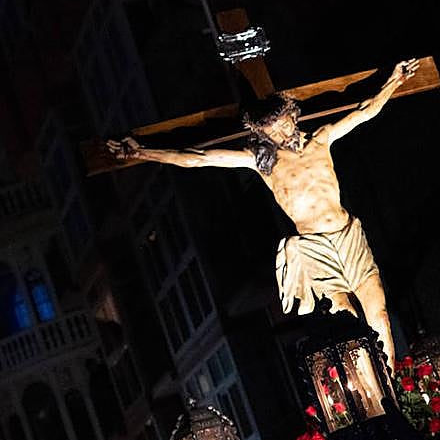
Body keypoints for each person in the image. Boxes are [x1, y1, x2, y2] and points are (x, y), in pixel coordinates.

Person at [105, 60, 420, 370]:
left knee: (378, 312)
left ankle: (392, 384)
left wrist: (395, 81)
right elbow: (198, 159)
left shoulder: (321, 138)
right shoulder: (262, 162)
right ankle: (376, 398)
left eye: (284, 124)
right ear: (262, 135)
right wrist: (142, 151)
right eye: (273, 131)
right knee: (347, 319)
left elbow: (364, 110)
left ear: (292, 117)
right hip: (315, 247)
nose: (282, 134)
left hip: (347, 232)